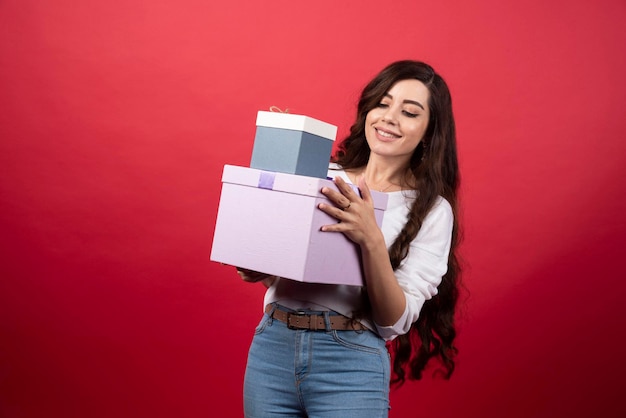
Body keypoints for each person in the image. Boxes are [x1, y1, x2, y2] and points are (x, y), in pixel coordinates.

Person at [238, 60, 462, 417]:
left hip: (350, 361)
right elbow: (276, 266)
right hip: (272, 349)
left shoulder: (432, 209)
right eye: (383, 103)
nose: (389, 117)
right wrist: (255, 261)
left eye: (409, 112)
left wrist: (370, 238)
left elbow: (394, 321)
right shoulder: (322, 174)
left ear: (429, 132)